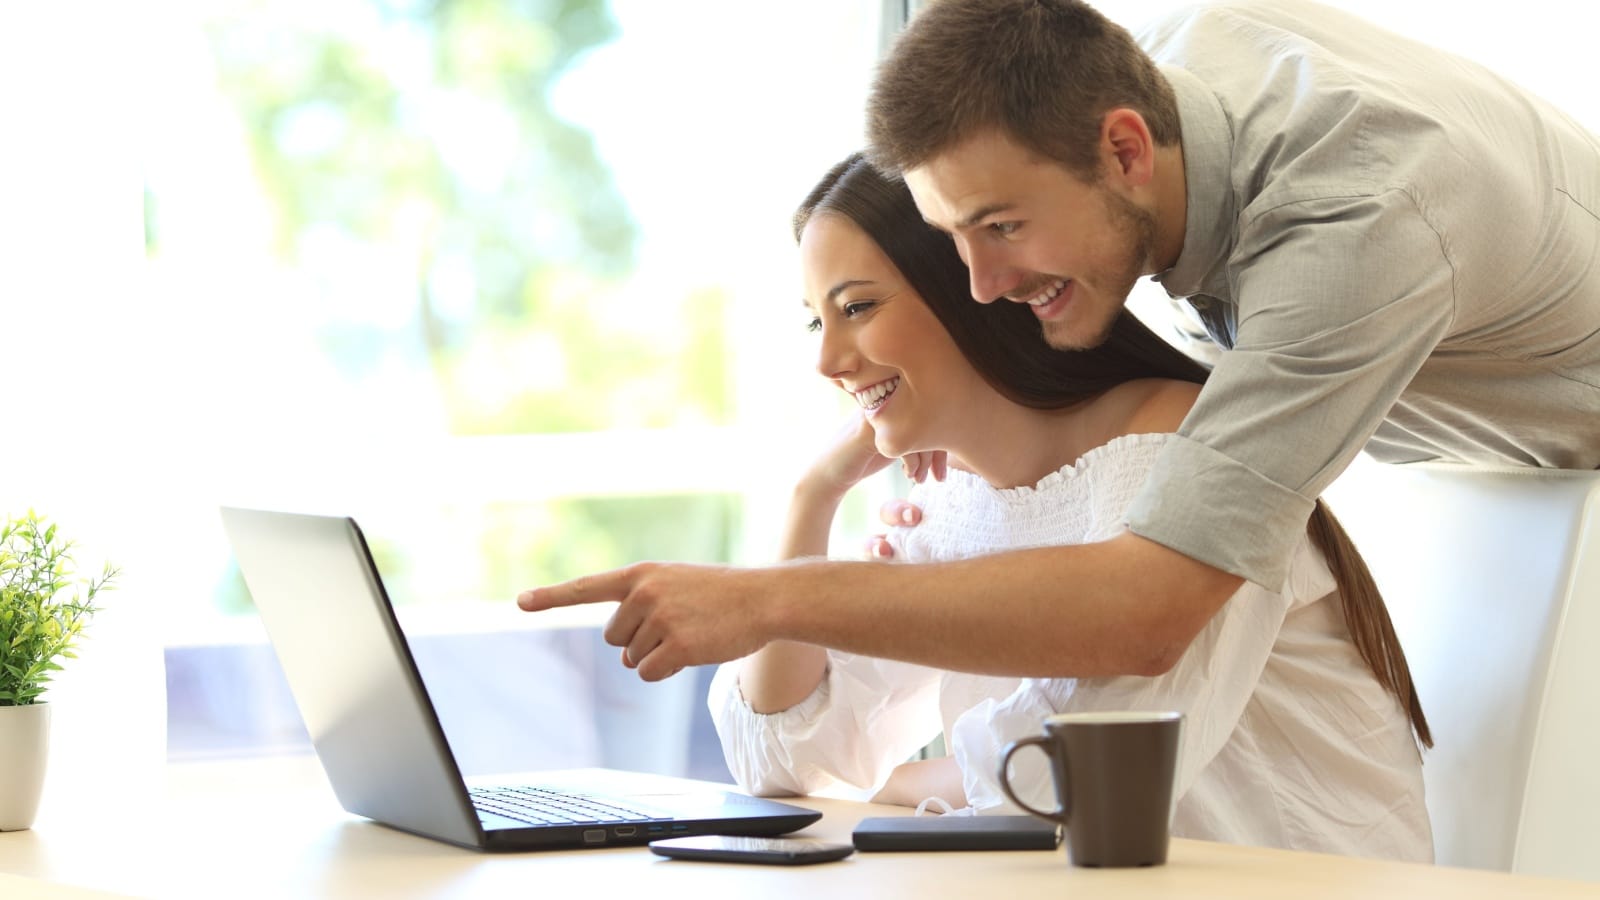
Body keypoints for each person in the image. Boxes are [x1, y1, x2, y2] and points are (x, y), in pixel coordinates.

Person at [517, 0, 1598, 687]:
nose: (982, 287)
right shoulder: (1156, 74)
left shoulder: (1356, 223)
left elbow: (1144, 617)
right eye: (953, 235)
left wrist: (763, 596)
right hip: (1486, 451)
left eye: (1001, 228)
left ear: (1126, 149)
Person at [705, 152, 1431, 860]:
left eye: (857, 307)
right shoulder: (957, 500)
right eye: (816, 322)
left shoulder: (1176, 456)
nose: (829, 361)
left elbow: (1073, 776)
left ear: (971, 290)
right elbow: (781, 767)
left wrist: (891, 783)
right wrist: (815, 495)